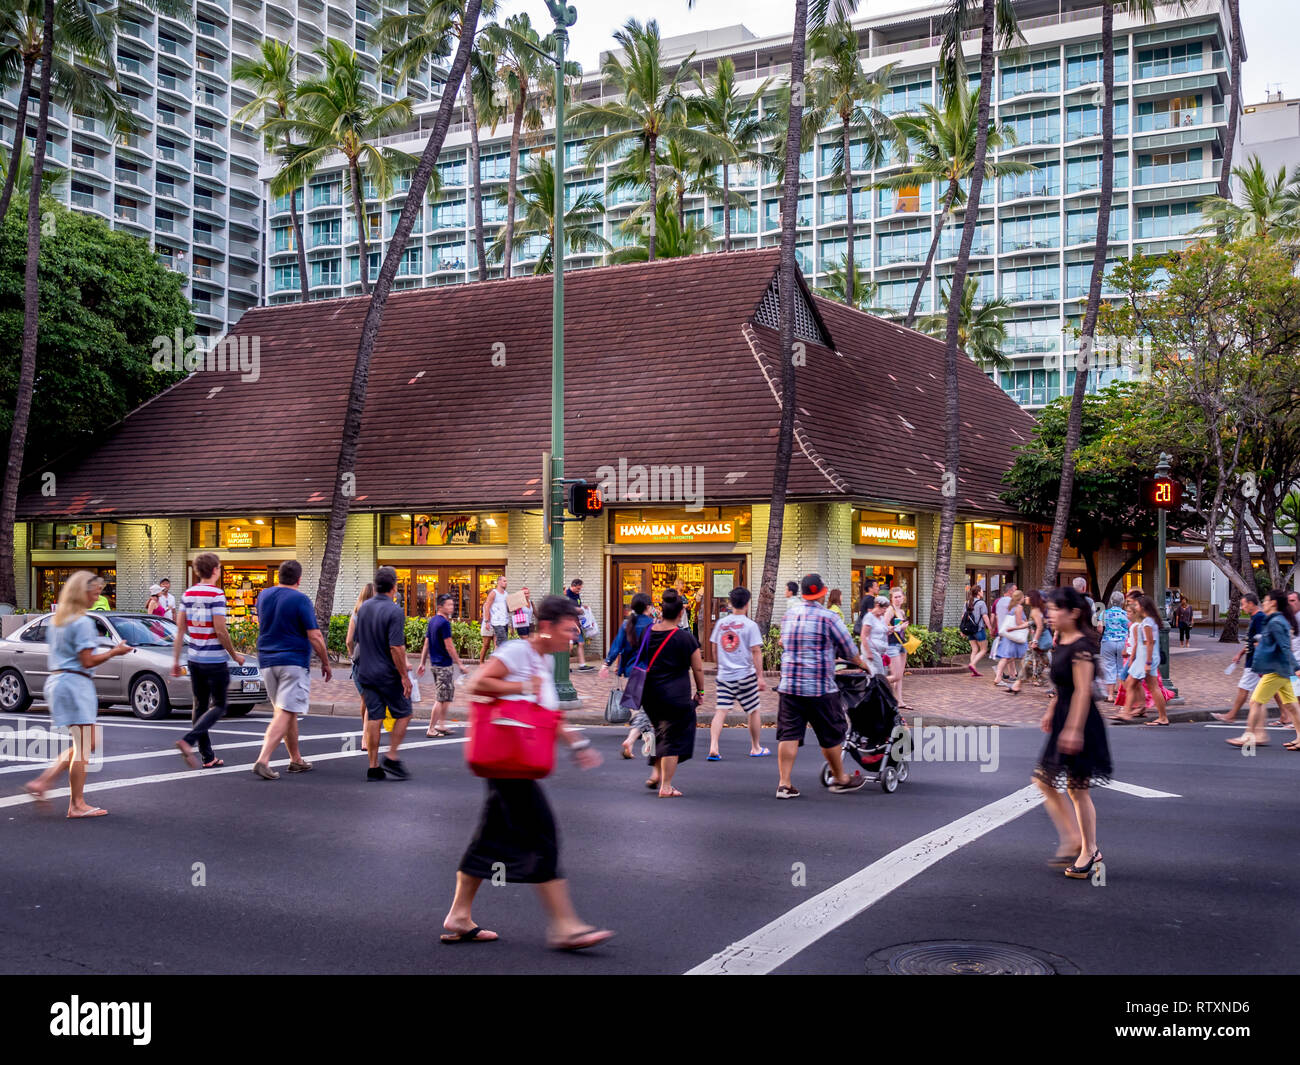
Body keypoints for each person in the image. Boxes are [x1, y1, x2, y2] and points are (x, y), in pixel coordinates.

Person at [443, 594, 612, 951]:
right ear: (547, 627)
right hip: (508, 763)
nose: (574, 638)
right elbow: (476, 685)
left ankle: (459, 916)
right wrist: (521, 687)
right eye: (569, 630)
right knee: (543, 835)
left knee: (489, 838)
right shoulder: (519, 652)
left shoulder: (544, 660)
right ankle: (564, 926)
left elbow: (546, 713)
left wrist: (576, 744)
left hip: (516, 761)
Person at [23, 570, 132, 817]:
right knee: (85, 745)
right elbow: (87, 661)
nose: (97, 599)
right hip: (76, 683)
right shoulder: (82, 622)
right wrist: (115, 652)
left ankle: (44, 783)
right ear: (81, 593)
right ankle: (76, 804)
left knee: (85, 743)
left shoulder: (57, 620)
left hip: (58, 681)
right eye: (94, 594)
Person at [1032, 587, 1112, 878]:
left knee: (1076, 788)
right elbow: (1063, 687)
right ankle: (1080, 842)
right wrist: (1051, 710)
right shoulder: (1062, 641)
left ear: (1074, 613)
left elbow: (1081, 692)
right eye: (1049, 609)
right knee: (1049, 782)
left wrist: (1074, 730)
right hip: (1065, 717)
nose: (1049, 614)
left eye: (1055, 609)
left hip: (1081, 721)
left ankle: (1084, 847)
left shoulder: (1081, 647)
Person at [774, 573, 873, 799]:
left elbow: (783, 642)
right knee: (831, 734)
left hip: (789, 685)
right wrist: (864, 666)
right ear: (822, 593)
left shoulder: (789, 615)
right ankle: (840, 779)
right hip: (820, 687)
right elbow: (849, 650)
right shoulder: (829, 618)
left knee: (788, 734)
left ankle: (784, 784)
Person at [249, 560, 331, 779]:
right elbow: (315, 635)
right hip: (293, 661)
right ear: (299, 579)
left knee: (286, 711)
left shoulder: (264, 596)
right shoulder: (300, 599)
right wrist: (325, 661)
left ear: (278, 576)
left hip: (267, 660)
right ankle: (263, 759)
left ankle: (295, 759)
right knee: (285, 711)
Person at [171, 553, 247, 771]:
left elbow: (180, 632)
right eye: (220, 567)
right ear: (214, 570)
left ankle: (207, 756)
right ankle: (189, 740)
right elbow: (221, 630)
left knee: (200, 705)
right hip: (214, 659)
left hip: (194, 659)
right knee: (220, 705)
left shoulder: (187, 594)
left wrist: (176, 661)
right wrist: (234, 655)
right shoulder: (217, 595)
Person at [639, 591, 705, 797]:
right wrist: (700, 691)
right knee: (673, 738)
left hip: (648, 694)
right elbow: (698, 669)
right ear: (679, 615)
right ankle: (666, 786)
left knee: (660, 730)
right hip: (675, 695)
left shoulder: (647, 632)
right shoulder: (685, 638)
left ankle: (655, 773)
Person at [353, 566, 414, 780]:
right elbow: (396, 648)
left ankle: (373, 766)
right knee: (405, 712)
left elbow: (357, 641)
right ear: (394, 586)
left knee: (374, 717)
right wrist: (404, 677)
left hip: (366, 672)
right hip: (387, 674)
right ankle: (392, 755)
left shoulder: (364, 608)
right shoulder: (394, 611)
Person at [1229, 589, 1300, 750]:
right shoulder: (1276, 620)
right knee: (1292, 705)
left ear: (1273, 603)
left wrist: (1297, 668)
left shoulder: (1276, 621)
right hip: (1281, 669)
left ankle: (1248, 736)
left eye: (1266, 600)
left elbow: (1284, 646)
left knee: (1255, 701)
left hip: (1275, 670)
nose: (1264, 603)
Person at [707, 586, 768, 760]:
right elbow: (756, 651)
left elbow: (714, 646)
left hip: (725, 676)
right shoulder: (750, 625)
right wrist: (760, 677)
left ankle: (714, 747)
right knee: (753, 710)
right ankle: (755, 747)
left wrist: (720, 665)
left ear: (730, 603)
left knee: (721, 711)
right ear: (747, 604)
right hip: (746, 675)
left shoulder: (721, 623)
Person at [599, 593, 656, 760]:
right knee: (650, 708)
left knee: (645, 707)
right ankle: (635, 740)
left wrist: (606, 664)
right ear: (648, 607)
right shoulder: (653, 625)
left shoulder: (626, 624)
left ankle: (643, 738)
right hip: (650, 671)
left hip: (632, 670)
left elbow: (617, 646)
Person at [418, 592, 464, 738]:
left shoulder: (433, 621)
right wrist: (460, 664)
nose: (452, 607)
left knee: (446, 696)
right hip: (443, 665)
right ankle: (431, 728)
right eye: (449, 605)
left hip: (435, 664)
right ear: (440, 606)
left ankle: (441, 725)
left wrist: (422, 663)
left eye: (452, 604)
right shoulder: (444, 623)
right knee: (440, 698)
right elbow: (449, 646)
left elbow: (426, 643)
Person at [1120, 594, 1168, 725]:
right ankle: (1129, 712)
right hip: (1143, 658)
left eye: (1136, 605)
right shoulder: (1148, 621)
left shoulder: (1147, 622)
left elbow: (1149, 643)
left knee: (1145, 686)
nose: (1135, 607)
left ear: (1143, 606)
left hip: (1145, 659)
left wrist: (1147, 662)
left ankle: (1128, 713)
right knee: (1139, 684)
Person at [346, 583, 375, 724]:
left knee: (364, 698)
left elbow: (348, 641)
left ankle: (366, 729)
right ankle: (369, 731)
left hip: (359, 660)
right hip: (375, 659)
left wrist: (352, 656)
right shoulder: (377, 612)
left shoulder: (356, 614)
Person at [1011, 589, 1050, 693]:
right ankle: (1018, 684)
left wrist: (1035, 641)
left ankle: (1020, 683)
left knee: (1046, 662)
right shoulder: (1037, 609)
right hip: (1038, 642)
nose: (1025, 598)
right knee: (1030, 661)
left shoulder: (1035, 611)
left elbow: (1040, 627)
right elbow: (1032, 624)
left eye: (1027, 596)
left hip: (1040, 642)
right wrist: (1015, 628)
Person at [993, 590, 1029, 689]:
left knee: (1006, 657)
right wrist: (1028, 624)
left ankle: (998, 677)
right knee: (1025, 656)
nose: (1024, 598)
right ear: (1020, 598)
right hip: (1016, 636)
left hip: (1008, 636)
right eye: (1023, 597)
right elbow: (1018, 622)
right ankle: (1024, 677)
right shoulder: (1019, 607)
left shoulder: (1010, 606)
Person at [882, 586, 912, 707]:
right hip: (892, 644)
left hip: (902, 643)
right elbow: (883, 627)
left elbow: (900, 631)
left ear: (903, 597)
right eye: (895, 597)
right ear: (891, 598)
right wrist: (899, 627)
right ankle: (876, 683)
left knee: (900, 675)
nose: (898, 599)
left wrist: (903, 628)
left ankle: (899, 700)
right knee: (896, 675)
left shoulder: (902, 612)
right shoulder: (890, 610)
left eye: (900, 596)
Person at [1098, 591, 1130, 702]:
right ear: (1122, 602)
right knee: (1122, 668)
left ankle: (1110, 696)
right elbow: (1130, 628)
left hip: (1107, 642)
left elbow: (1099, 628)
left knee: (1108, 667)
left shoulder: (1104, 613)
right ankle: (1123, 695)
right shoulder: (1126, 614)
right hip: (1123, 642)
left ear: (1111, 601)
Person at [859, 595, 890, 676]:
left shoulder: (881, 618)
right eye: (883, 609)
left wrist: (891, 629)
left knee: (880, 673)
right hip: (872, 650)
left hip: (881, 651)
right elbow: (863, 635)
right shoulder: (869, 617)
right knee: (879, 674)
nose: (884, 611)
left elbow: (883, 631)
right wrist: (868, 652)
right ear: (877, 605)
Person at [565, 578, 593, 669]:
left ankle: (582, 665)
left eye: (580, 588)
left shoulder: (576, 594)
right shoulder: (566, 594)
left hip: (576, 622)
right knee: (570, 645)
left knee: (581, 643)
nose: (579, 590)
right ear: (572, 586)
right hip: (570, 622)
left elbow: (577, 605)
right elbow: (565, 608)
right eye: (578, 588)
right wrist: (576, 609)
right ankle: (565, 666)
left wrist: (582, 607)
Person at [964, 585, 989, 677]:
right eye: (982, 591)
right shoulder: (981, 603)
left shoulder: (967, 603)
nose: (982, 592)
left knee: (974, 649)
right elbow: (985, 616)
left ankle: (973, 670)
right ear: (978, 592)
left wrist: (963, 630)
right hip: (979, 629)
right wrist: (990, 627)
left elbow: (964, 617)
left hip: (970, 630)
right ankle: (972, 664)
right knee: (983, 649)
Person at [484, 574, 511, 650]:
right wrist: (486, 621)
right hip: (497, 622)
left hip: (505, 622)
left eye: (506, 581)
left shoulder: (506, 594)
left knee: (501, 644)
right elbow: (487, 607)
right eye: (504, 581)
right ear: (499, 582)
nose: (506, 583)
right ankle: (497, 660)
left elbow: (508, 609)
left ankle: (496, 659)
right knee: (503, 642)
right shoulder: (493, 593)